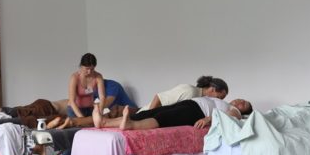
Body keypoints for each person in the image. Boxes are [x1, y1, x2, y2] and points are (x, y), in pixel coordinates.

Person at [96, 96, 253, 131]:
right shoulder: (224, 102)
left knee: (162, 118)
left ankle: (132, 125)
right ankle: (105, 122)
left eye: (244, 103)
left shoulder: (236, 112)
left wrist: (208, 118)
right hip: (191, 104)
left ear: (244, 111)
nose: (240, 101)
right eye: (241, 99)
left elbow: (229, 117)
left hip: (196, 112)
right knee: (151, 111)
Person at [145, 76, 228, 110]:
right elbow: (158, 98)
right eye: (218, 97)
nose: (218, 101)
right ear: (212, 89)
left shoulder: (201, 101)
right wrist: (146, 118)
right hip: (144, 118)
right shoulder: (190, 91)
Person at [66, 53, 106, 118]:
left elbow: (102, 97)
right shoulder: (74, 77)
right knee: (82, 124)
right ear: (81, 66)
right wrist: (82, 118)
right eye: (87, 69)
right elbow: (72, 101)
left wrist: (100, 112)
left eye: (92, 69)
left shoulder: (98, 76)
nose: (89, 72)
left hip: (90, 109)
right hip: (75, 109)